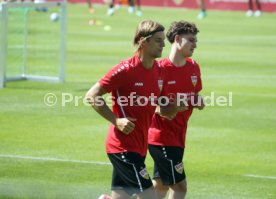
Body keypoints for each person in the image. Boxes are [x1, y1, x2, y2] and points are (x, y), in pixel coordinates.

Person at [85, 20, 166, 199]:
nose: (163, 44)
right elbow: (91, 96)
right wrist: (116, 120)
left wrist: (170, 108)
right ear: (143, 41)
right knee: (149, 196)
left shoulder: (158, 70)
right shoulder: (125, 70)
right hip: (122, 147)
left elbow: (157, 103)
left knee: (119, 197)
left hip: (139, 146)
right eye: (158, 40)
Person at [148, 21, 205, 199]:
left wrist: (197, 100)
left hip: (179, 135)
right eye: (191, 40)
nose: (195, 44)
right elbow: (144, 102)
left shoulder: (194, 67)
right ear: (178, 39)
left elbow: (193, 94)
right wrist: (162, 109)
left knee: (160, 187)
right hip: (161, 137)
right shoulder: (159, 69)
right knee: (180, 187)